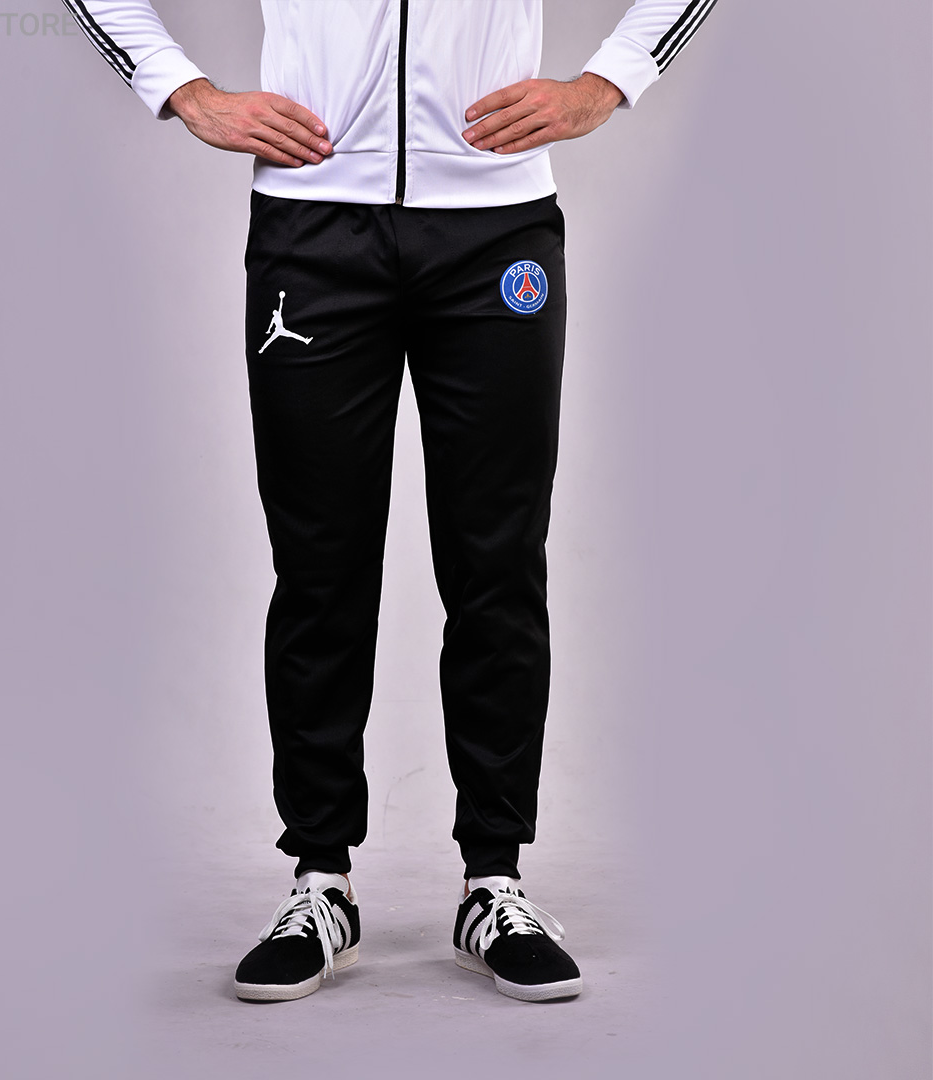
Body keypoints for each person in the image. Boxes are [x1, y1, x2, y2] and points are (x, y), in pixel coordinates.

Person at [64, 0, 716, 1004]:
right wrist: (181, 90)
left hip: (496, 223)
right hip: (313, 223)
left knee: (497, 565)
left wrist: (610, 82)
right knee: (319, 568)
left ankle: (493, 882)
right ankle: (320, 882)